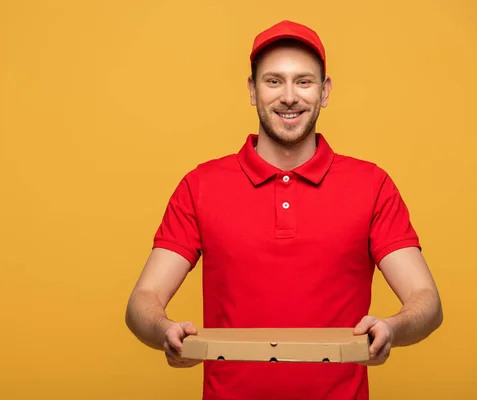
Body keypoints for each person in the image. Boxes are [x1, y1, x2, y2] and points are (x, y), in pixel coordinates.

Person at [125, 20, 443, 400]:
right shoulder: (200, 185)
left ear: (324, 91)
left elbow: (426, 301)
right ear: (251, 90)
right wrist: (163, 329)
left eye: (303, 81)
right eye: (273, 81)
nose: (289, 96)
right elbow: (142, 301)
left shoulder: (372, 185)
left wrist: (392, 327)